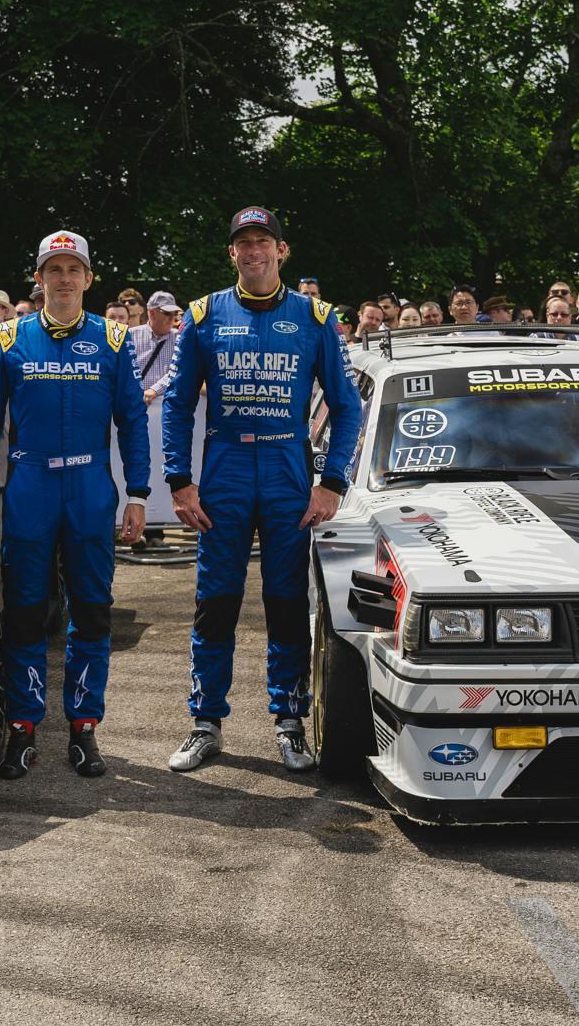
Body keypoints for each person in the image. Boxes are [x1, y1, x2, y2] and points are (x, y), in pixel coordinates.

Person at [162, 206, 363, 775]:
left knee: (286, 602)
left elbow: (348, 408)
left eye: (263, 242)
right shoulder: (203, 315)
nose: (253, 251)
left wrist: (332, 483)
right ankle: (205, 722)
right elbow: (177, 406)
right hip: (224, 465)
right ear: (232, 254)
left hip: (286, 466)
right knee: (216, 601)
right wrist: (180, 481)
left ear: (281, 250)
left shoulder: (316, 317)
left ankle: (289, 722)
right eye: (243, 243)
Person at [0, 229, 149, 780]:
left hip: (91, 487)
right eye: (54, 269)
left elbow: (133, 423)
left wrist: (137, 494)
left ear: (88, 279)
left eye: (74, 270)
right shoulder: (7, 338)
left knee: (91, 609)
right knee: (25, 612)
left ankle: (84, 726)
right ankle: (23, 725)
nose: (64, 279)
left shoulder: (115, 341)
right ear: (39, 278)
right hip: (31, 486)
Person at [129, 290, 182, 404]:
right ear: (152, 313)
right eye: (168, 313)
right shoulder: (130, 336)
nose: (172, 318)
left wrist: (154, 390)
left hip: (170, 408)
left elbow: (180, 370)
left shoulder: (181, 338)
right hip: (135, 406)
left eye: (175, 313)